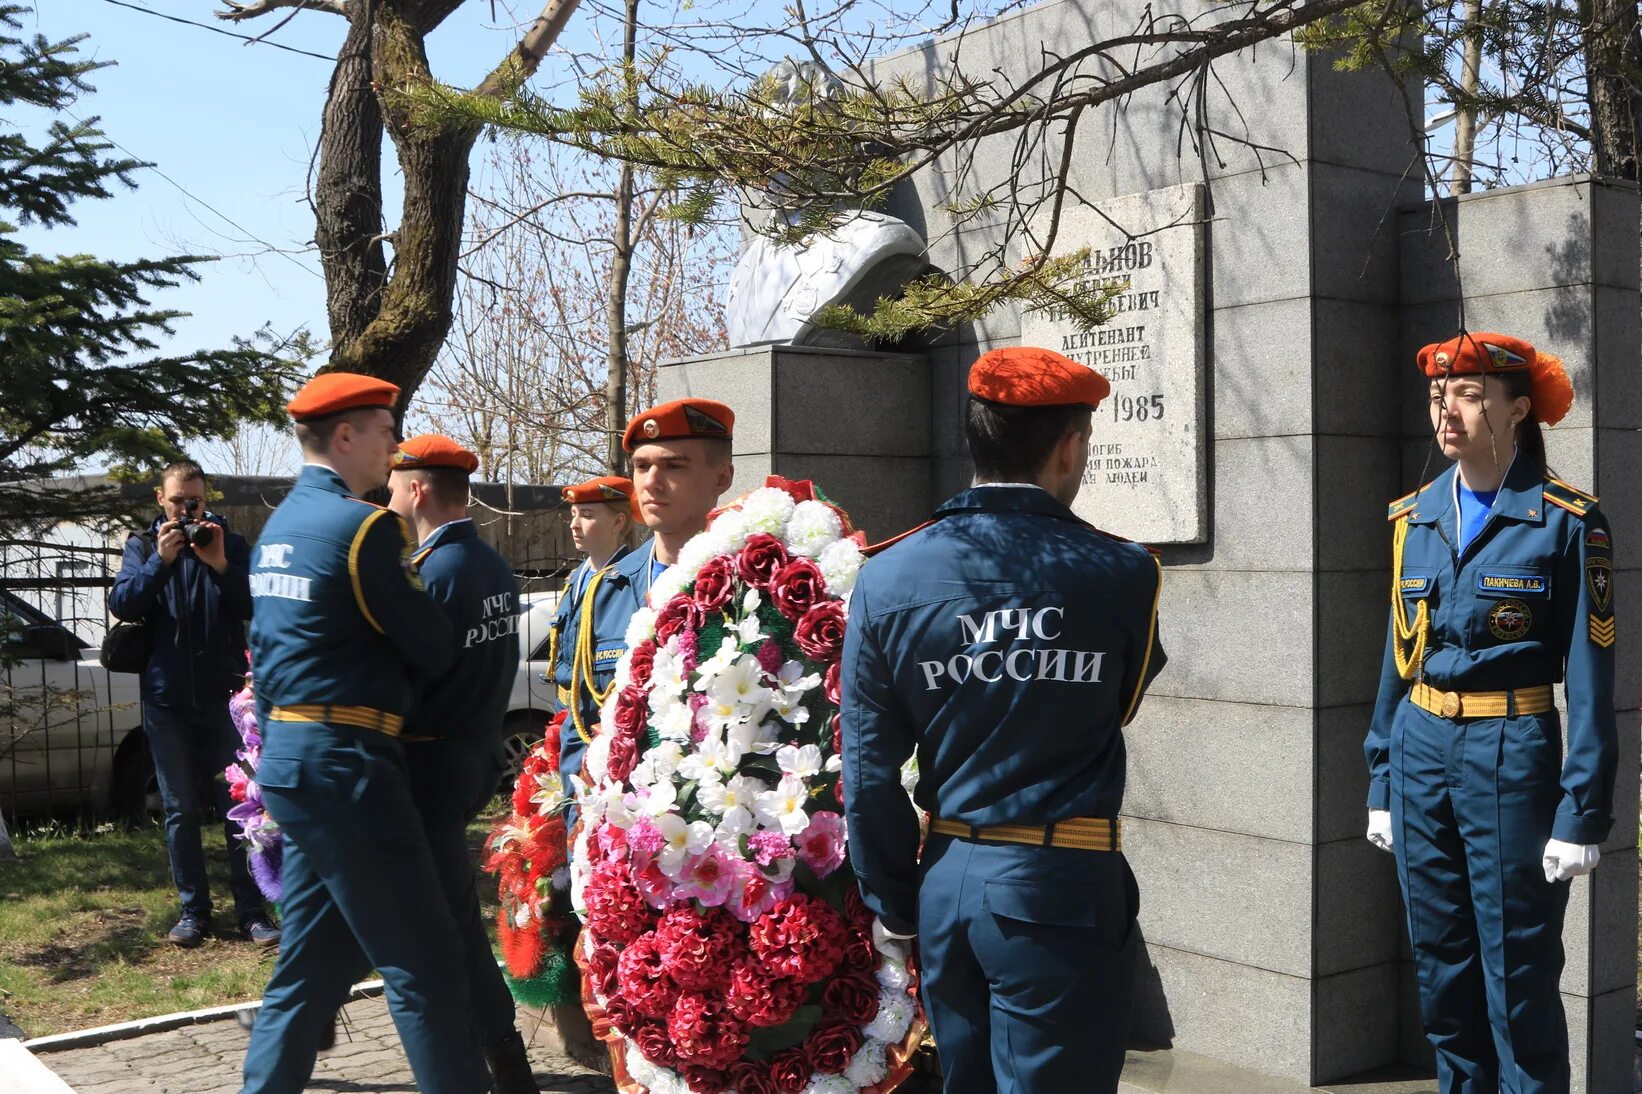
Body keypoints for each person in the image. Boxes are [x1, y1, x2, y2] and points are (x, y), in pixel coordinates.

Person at [840, 346, 1166, 1094]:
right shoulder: (1122, 571)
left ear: (974, 438)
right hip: (1058, 884)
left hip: (947, 882)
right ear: (1071, 445)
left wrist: (894, 898)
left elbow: (868, 768)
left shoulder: (888, 574)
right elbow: (1117, 703)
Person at [1364, 332, 1617, 1093]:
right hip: (1420, 749)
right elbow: (1397, 657)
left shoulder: (1568, 521)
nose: (1448, 409)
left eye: (1470, 394)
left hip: (1510, 753)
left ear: (1517, 411)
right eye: (1441, 395)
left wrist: (1582, 813)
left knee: (1518, 976)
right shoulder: (1416, 517)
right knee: (1441, 971)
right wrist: (1382, 775)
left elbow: (1593, 676)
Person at [239, 374, 489, 1094]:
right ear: (345, 436)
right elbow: (433, 646)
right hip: (348, 768)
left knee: (309, 967)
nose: (394, 445)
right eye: (385, 429)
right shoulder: (366, 527)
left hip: (291, 764)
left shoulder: (279, 526)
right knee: (425, 963)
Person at [386, 433, 537, 1094]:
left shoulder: (433, 572)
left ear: (417, 488)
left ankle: (499, 1059)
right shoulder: (488, 564)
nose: (387, 492)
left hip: (430, 765)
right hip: (473, 756)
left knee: (443, 928)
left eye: (395, 480)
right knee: (444, 917)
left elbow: (410, 679)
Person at [109, 459, 278, 948]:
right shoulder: (143, 546)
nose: (187, 510)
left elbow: (254, 604)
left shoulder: (227, 542)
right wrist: (158, 563)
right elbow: (123, 604)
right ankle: (193, 913)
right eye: (178, 501)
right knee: (181, 809)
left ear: (206, 501)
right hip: (166, 701)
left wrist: (221, 563)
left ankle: (253, 912)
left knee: (240, 807)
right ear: (161, 500)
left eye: (195, 502)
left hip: (226, 700)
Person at [556, 399, 736, 783]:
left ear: (722, 478)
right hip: (624, 826)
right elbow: (580, 730)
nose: (651, 482)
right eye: (642, 466)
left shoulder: (753, 584)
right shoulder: (605, 590)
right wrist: (579, 832)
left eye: (673, 465)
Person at [546, 475, 640, 727]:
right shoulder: (574, 580)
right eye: (573, 514)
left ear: (618, 522)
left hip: (606, 720)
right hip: (567, 717)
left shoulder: (630, 583)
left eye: (586, 515)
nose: (574, 525)